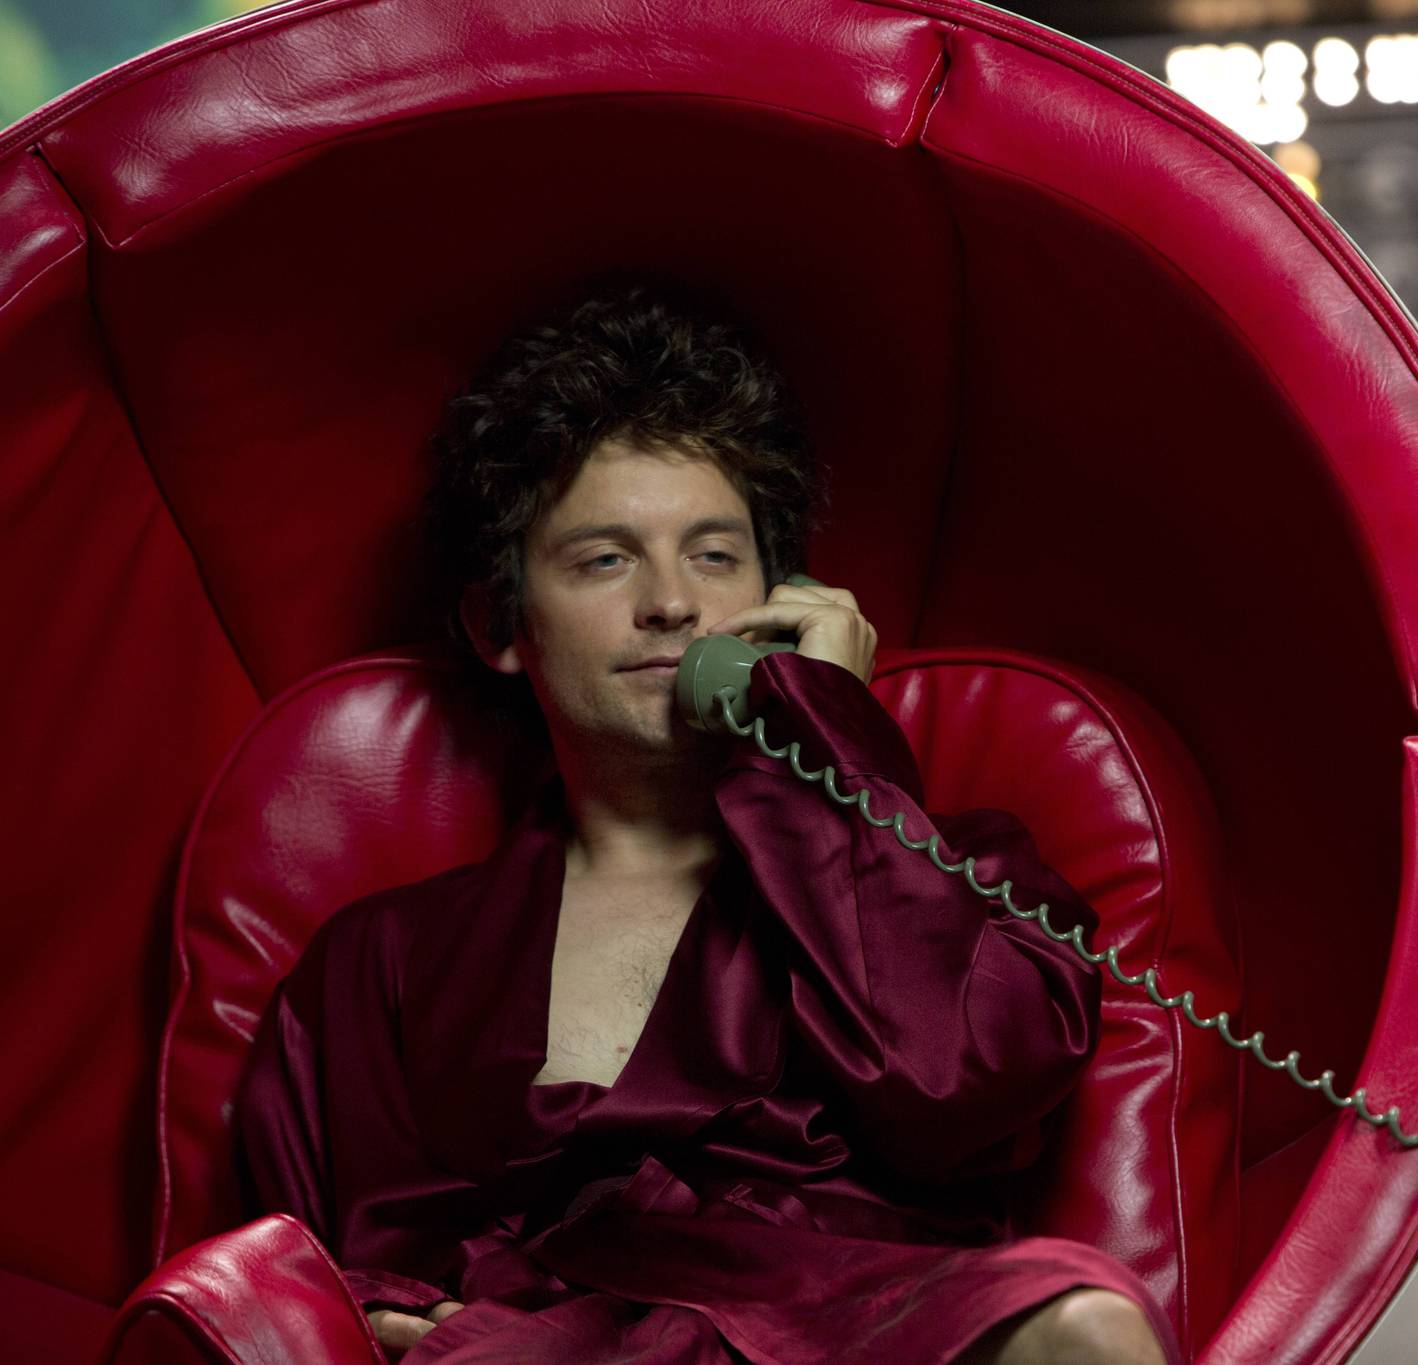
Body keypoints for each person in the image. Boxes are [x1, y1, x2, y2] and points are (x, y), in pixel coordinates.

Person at [230, 284, 1179, 1364]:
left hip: (856, 1337)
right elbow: (301, 1267)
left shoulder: (969, 878)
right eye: (606, 558)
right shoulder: (380, 965)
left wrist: (831, 752)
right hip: (532, 1350)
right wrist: (379, 1318)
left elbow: (956, 1086)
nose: (672, 603)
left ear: (786, 602)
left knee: (1078, 1324)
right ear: (501, 625)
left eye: (715, 556)